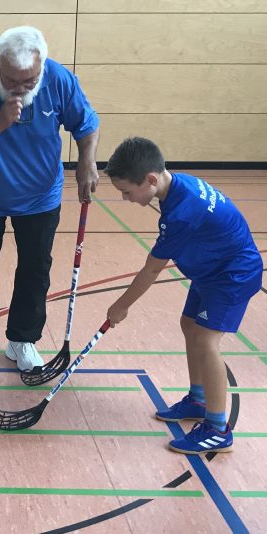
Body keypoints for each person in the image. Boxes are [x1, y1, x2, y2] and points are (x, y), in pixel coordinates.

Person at [0, 26, 100, 377]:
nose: (21, 88)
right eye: (12, 80)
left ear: (41, 66)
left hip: (40, 197)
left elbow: (86, 125)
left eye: (29, 81)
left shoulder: (58, 79)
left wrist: (87, 162)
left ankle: (21, 340)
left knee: (35, 269)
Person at [105, 137, 262, 454]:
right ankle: (198, 399)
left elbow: (151, 270)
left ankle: (218, 429)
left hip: (231, 275)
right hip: (211, 269)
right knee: (189, 324)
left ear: (150, 179)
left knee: (206, 340)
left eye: (127, 191)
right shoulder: (178, 186)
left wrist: (120, 307)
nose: (125, 198)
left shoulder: (182, 213)